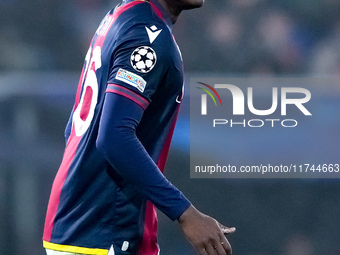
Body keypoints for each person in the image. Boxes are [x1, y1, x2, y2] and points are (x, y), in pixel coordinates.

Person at [43, 0, 235, 254]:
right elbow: (113, 136)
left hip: (83, 221)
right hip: (100, 230)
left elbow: (75, 128)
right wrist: (185, 213)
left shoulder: (123, 15)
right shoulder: (147, 34)